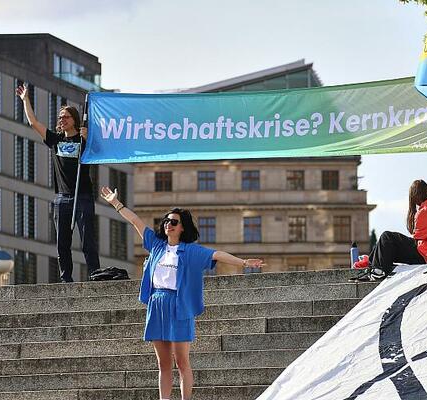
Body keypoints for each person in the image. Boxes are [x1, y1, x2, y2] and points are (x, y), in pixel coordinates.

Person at [99, 186, 264, 400]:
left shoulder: (192, 251)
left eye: (174, 222)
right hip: (157, 303)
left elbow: (217, 254)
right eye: (166, 221)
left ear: (182, 228)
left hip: (179, 305)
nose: (168, 224)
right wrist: (115, 203)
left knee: (182, 362)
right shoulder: (156, 245)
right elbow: (136, 221)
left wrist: (244, 263)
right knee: (163, 363)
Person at [16, 84, 99, 282]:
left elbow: (99, 152)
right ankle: (66, 279)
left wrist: (89, 138)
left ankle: (95, 275)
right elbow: (33, 122)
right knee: (62, 243)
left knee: (87, 241)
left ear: (75, 120)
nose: (62, 119)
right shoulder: (55, 140)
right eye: (60, 117)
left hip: (83, 196)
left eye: (66, 117)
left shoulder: (84, 140)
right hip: (62, 198)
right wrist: (25, 100)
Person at [351, 180, 427, 282]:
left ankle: (378, 270)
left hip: (426, 255)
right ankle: (372, 265)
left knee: (387, 237)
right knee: (387, 244)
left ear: (414, 196)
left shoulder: (424, 211)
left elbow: (417, 236)